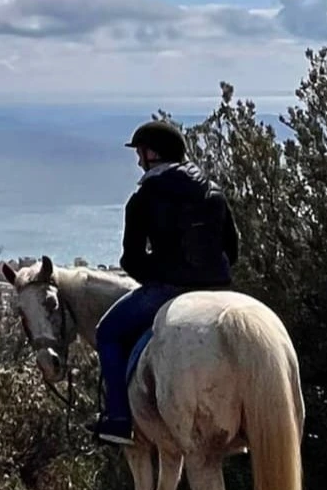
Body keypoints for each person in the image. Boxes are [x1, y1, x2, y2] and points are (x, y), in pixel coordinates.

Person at [94, 119, 240, 445]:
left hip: (169, 288)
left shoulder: (144, 198)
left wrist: (157, 279)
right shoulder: (213, 191)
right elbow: (232, 248)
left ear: (152, 154)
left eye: (141, 153)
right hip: (219, 287)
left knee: (108, 333)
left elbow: (130, 259)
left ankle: (117, 419)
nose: (138, 161)